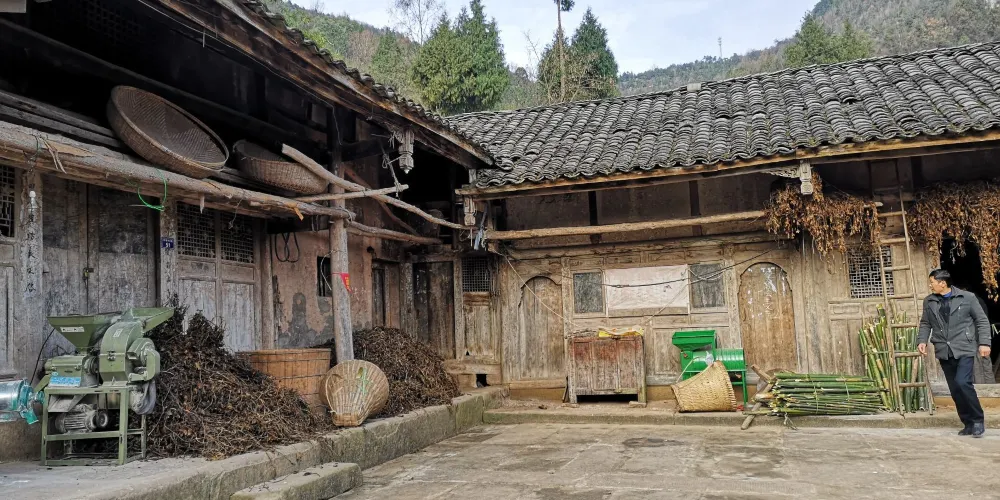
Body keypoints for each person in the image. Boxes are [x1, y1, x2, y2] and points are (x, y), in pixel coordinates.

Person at [918, 269, 992, 437]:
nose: (930, 285)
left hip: (964, 347)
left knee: (962, 382)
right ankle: (968, 423)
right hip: (944, 349)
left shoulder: (967, 298)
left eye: (932, 282)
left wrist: (984, 343)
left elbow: (981, 320)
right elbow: (925, 323)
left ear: (942, 283)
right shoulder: (929, 301)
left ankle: (978, 420)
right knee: (954, 388)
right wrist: (922, 341)